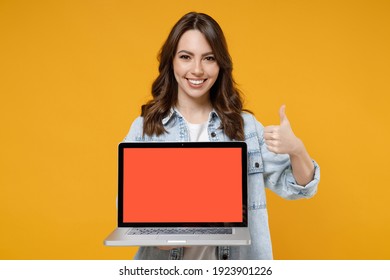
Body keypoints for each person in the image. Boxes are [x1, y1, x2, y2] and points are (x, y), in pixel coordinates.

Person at [123, 12, 320, 260]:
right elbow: (133, 216)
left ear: (220, 64)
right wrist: (165, 232)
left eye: (209, 58)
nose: (197, 70)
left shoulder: (246, 128)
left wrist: (296, 149)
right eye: (186, 57)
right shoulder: (145, 129)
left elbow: (300, 188)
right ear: (171, 61)